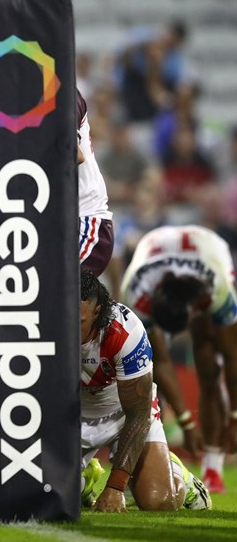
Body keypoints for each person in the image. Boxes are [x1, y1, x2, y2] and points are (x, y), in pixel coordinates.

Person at [79, 269, 210, 513]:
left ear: (97, 313)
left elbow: (138, 416)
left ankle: (178, 474)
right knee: (37, 493)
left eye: (78, 321)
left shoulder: (125, 332)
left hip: (123, 415)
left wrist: (115, 487)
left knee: (159, 501)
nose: (68, 328)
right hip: (71, 416)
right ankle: (85, 479)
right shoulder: (44, 324)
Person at [121, 225, 237, 494]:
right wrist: (186, 422)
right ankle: (140, 465)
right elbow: (159, 362)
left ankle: (212, 465)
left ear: (196, 309)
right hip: (156, 252)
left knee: (210, 361)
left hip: (207, 248)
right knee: (143, 373)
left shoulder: (217, 290)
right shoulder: (136, 293)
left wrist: (234, 417)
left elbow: (233, 360)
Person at [77, 88, 114, 277]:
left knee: (51, 284)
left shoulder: (62, 92)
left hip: (87, 224)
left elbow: (76, 154)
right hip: (62, 222)